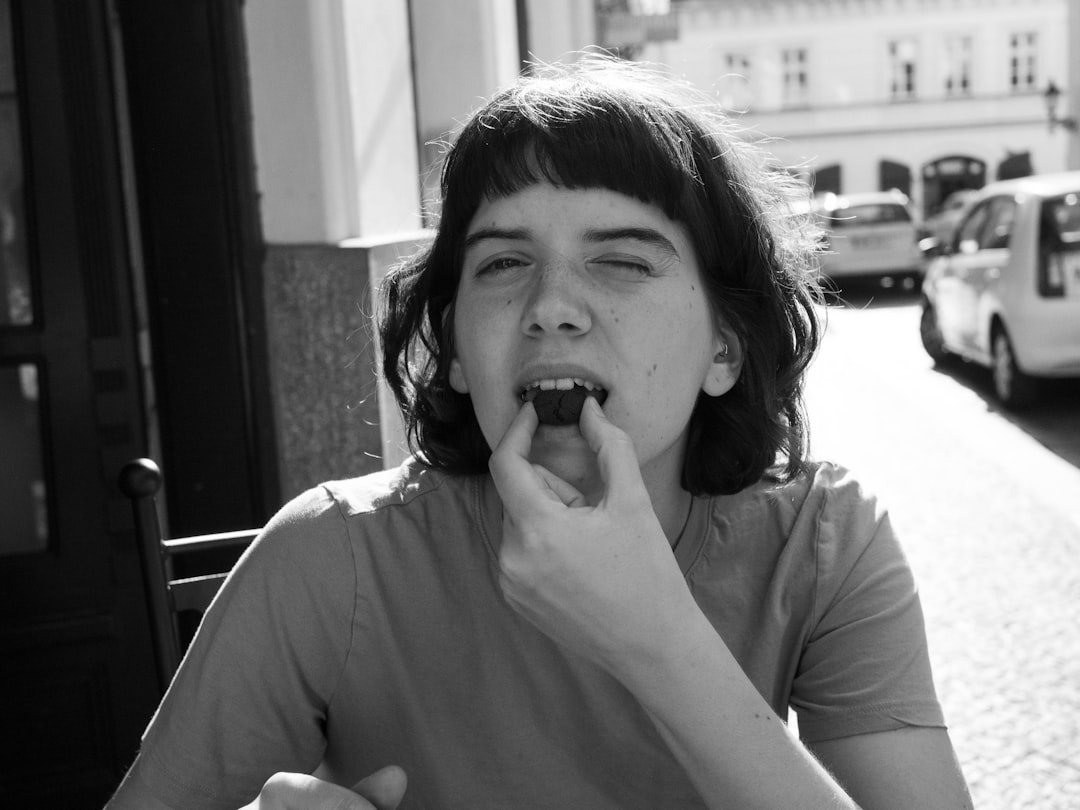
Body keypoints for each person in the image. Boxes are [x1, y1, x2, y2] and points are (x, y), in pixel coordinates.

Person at [106, 58, 972, 809]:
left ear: (725, 348)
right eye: (503, 263)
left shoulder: (825, 543)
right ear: (451, 351)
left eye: (624, 260)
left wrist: (655, 635)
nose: (551, 308)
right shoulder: (332, 559)